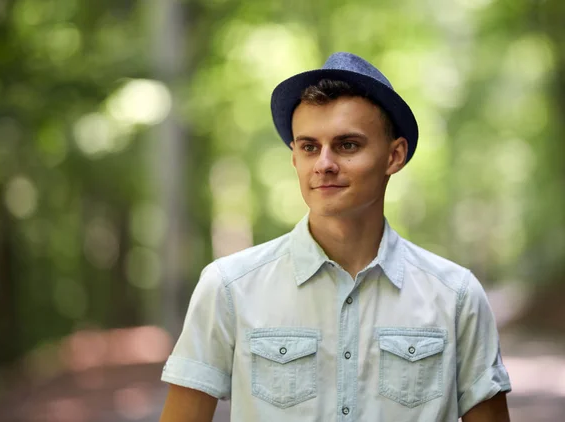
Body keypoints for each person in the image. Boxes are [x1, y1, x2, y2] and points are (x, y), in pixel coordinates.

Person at [159, 52, 512, 422]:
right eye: (309, 147)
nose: (324, 164)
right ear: (295, 158)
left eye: (347, 145)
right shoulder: (229, 288)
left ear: (394, 156)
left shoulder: (456, 297)